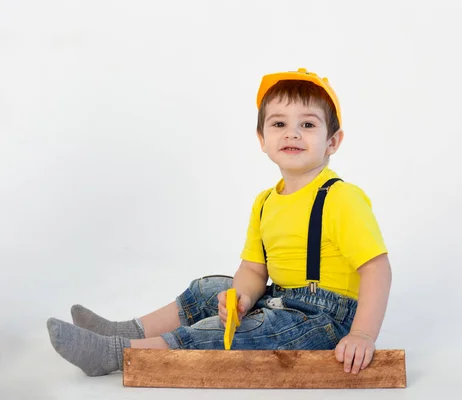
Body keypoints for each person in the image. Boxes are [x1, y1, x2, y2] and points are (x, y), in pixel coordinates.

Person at [46, 67, 392, 377]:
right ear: (262, 139)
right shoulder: (265, 202)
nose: (292, 133)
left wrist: (361, 333)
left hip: (325, 319)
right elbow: (254, 271)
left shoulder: (340, 197)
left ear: (332, 141)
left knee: (249, 329)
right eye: (279, 124)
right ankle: (124, 330)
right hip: (280, 299)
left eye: (307, 124)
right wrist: (239, 296)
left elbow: (376, 269)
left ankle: (116, 355)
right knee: (211, 290)